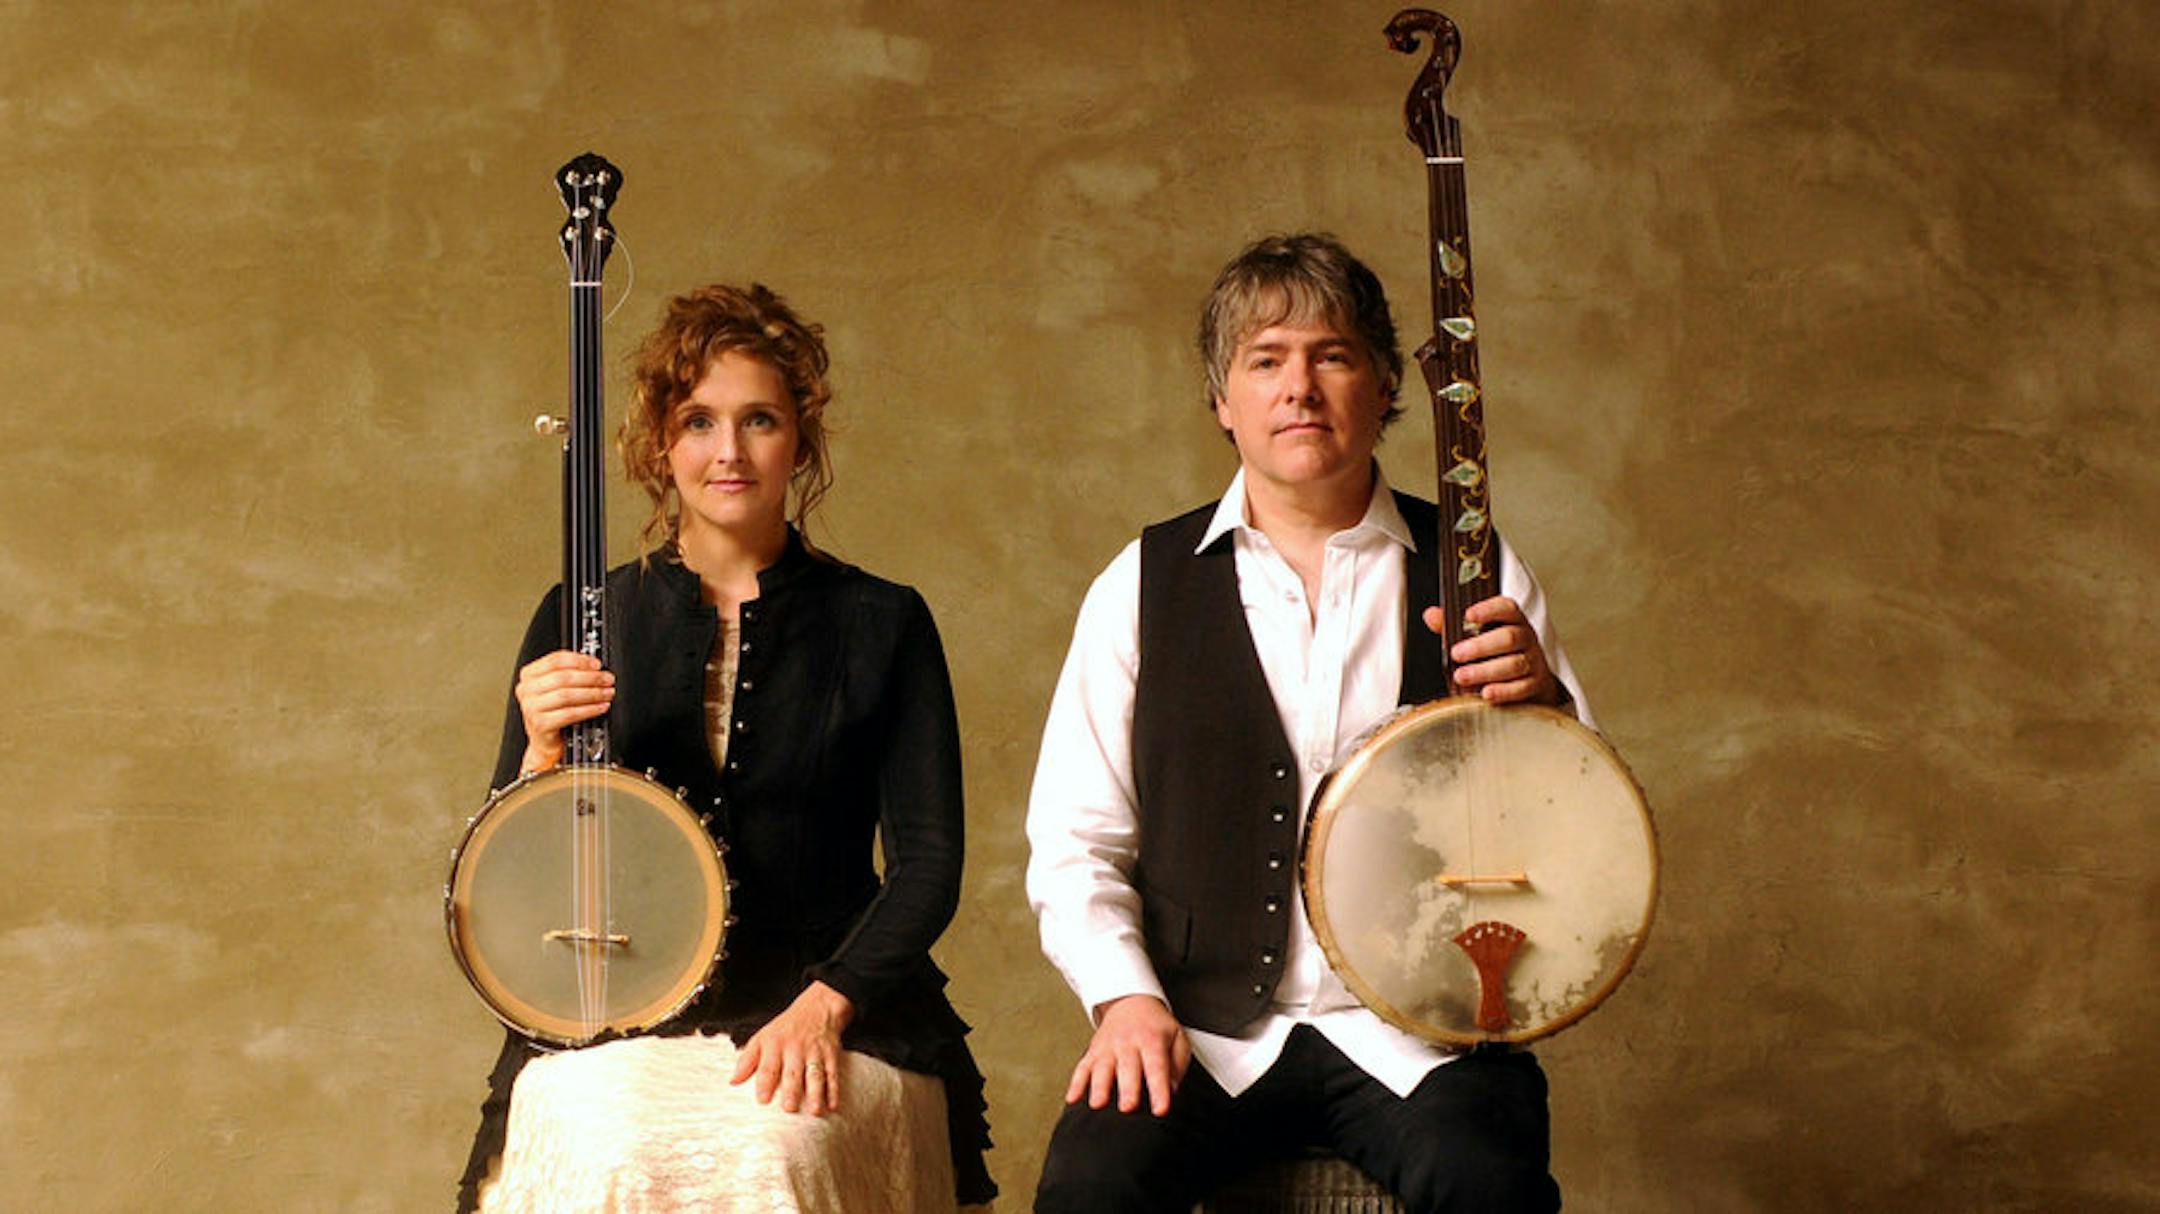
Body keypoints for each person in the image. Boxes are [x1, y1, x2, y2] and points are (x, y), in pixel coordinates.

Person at [1025, 233, 1589, 1213]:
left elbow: (1580, 827)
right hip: (1202, 1033)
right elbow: (1076, 842)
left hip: (1424, 1037)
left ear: (1384, 386)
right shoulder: (1140, 584)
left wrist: (1546, 709)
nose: (1300, 388)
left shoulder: (1475, 571)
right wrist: (1126, 999)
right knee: (1087, 1189)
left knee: (1488, 1184)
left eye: (1332, 356)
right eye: (1266, 360)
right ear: (1222, 400)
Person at [456, 283, 994, 1212]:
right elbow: (512, 879)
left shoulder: (883, 621)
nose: (729, 452)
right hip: (620, 1009)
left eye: (760, 421)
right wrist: (539, 755)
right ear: (660, 443)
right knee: (602, 1144)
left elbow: (928, 866)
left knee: (778, 1146)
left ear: (801, 441)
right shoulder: (579, 611)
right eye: (699, 422)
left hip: (837, 1000)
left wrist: (825, 1006)